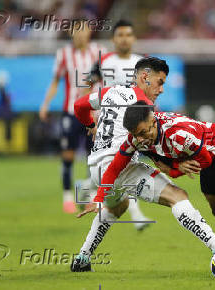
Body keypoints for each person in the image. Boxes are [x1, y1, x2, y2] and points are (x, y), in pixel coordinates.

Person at [71, 57, 215, 272]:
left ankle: (82, 259)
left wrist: (90, 125)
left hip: (97, 167)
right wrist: (174, 168)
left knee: (119, 206)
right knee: (177, 196)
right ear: (145, 77)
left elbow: (79, 106)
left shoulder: (110, 91)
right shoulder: (143, 107)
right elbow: (145, 145)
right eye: (159, 82)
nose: (161, 89)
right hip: (118, 166)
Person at [94, 102, 215, 276]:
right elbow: (114, 168)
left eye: (145, 132)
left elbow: (204, 159)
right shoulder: (137, 139)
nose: (142, 139)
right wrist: (99, 198)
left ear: (154, 121)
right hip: (206, 157)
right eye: (137, 134)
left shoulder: (177, 133)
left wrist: (174, 169)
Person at [76, 19, 151, 231]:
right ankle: (137, 217)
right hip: (108, 124)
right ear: (113, 39)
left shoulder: (142, 63)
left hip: (133, 122)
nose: (124, 39)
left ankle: (85, 187)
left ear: (134, 38)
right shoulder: (104, 61)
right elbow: (88, 88)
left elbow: (147, 94)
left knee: (119, 167)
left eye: (128, 35)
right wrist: (90, 120)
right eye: (120, 35)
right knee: (119, 167)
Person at [39, 24, 106, 213]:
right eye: (77, 31)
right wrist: (45, 104)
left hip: (94, 112)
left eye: (84, 30)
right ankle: (68, 197)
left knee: (92, 157)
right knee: (67, 155)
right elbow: (55, 81)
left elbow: (107, 79)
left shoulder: (99, 52)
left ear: (89, 33)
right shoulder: (64, 54)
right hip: (71, 111)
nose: (81, 35)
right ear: (71, 33)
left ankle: (89, 195)